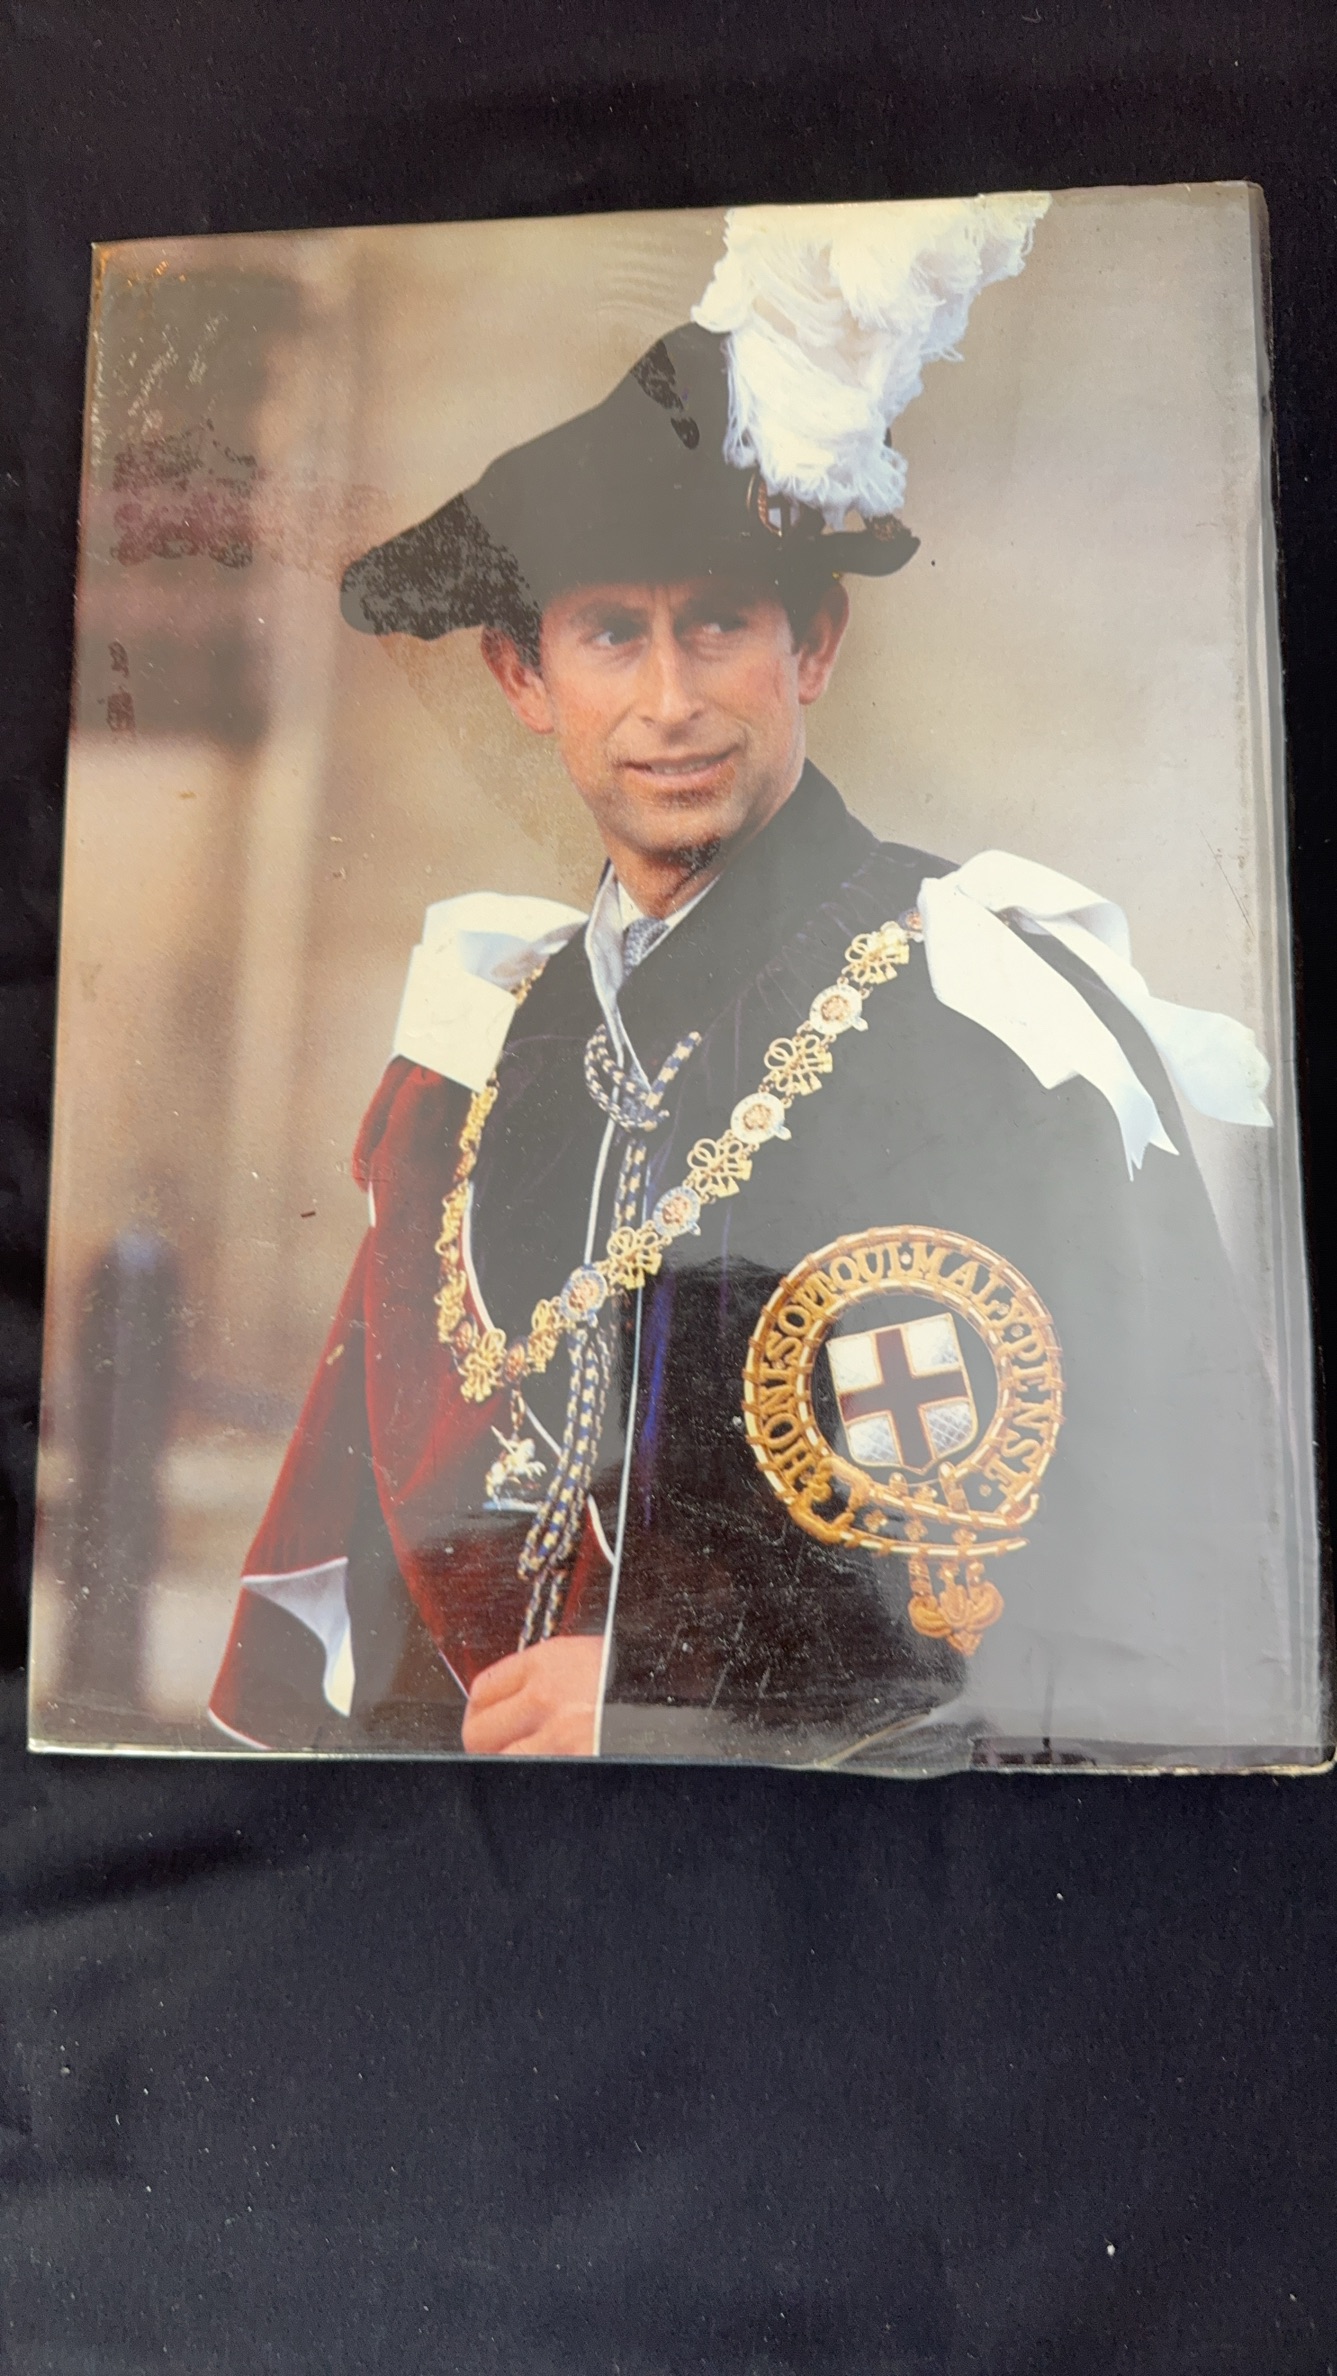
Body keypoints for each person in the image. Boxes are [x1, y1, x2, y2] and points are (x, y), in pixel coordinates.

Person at [209, 196, 1289, 1770]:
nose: (669, 702)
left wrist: (682, 1710)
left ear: (813, 647)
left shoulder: (992, 1018)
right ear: (523, 678)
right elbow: (380, 1570)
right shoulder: (485, 1056)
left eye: (717, 624)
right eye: (608, 636)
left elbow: (1149, 1574)